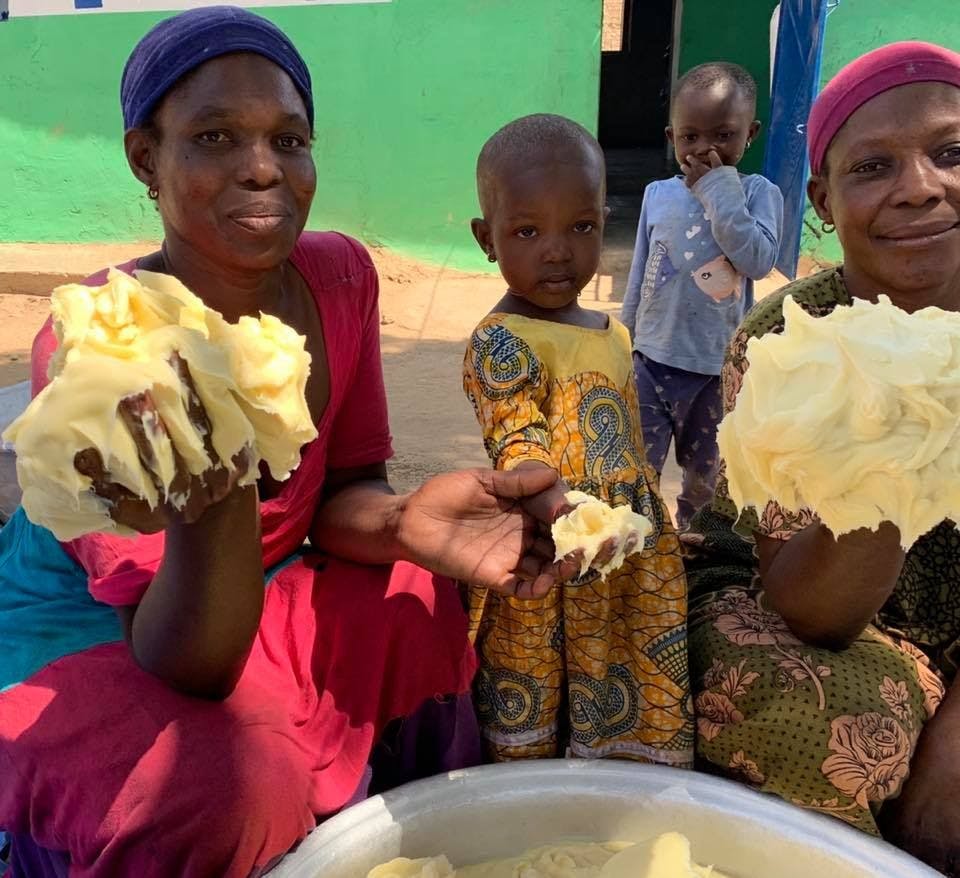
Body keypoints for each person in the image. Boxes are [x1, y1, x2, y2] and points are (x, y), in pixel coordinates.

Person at [0, 8, 569, 877]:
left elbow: (342, 488)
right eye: (215, 135)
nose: (263, 169)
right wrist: (217, 476)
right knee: (225, 784)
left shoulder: (338, 276)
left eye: (289, 139)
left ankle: (412, 850)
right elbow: (183, 655)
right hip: (108, 630)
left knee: (418, 596)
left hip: (258, 588)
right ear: (146, 158)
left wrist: (406, 522)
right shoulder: (105, 346)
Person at [684, 42, 960, 876]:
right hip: (813, 606)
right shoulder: (788, 343)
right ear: (822, 201)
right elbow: (814, 610)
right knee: (808, 720)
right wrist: (893, 423)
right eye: (874, 166)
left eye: (953, 153)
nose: (920, 185)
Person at [462, 114, 693, 766]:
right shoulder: (500, 341)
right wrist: (557, 503)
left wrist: (656, 522)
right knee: (535, 690)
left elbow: (629, 452)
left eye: (581, 227)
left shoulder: (613, 334)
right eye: (527, 231)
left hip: (627, 557)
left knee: (627, 680)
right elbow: (519, 440)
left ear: (604, 219)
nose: (557, 250)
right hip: (545, 551)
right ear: (487, 238)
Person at [620, 63, 783, 529]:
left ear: (750, 133)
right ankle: (642, 547)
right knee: (637, 472)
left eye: (723, 135)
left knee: (704, 480)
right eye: (689, 137)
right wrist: (625, 338)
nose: (704, 149)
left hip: (714, 372)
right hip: (650, 361)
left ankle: (696, 552)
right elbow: (641, 272)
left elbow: (757, 259)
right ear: (672, 136)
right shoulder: (657, 194)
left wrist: (718, 190)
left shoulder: (757, 193)